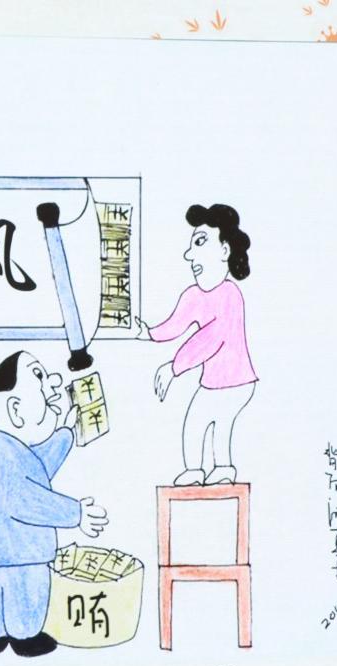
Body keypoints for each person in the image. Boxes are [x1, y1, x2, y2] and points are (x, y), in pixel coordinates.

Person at [0, 351, 108, 657]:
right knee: (26, 599)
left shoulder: (2, 449)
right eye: (38, 376)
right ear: (15, 409)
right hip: (21, 559)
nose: (52, 382)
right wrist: (76, 513)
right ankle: (25, 637)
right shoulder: (3, 456)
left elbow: (38, 467)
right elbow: (27, 499)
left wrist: (67, 432)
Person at [135, 204, 258, 486]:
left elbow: (212, 338)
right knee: (208, 423)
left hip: (237, 381)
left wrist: (174, 367)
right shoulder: (193, 295)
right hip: (213, 382)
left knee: (204, 421)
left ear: (225, 251)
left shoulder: (230, 294)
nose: (189, 255)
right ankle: (212, 470)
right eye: (191, 246)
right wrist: (148, 333)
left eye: (200, 242)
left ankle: (207, 470)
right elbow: (175, 325)